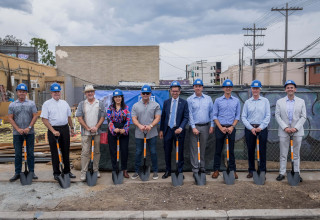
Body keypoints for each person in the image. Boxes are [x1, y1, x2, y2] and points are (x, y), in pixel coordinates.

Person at [40, 82, 76, 180]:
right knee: (55, 152)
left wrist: (71, 128)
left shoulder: (64, 103)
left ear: (60, 92)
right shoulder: (47, 104)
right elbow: (44, 119)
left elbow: (69, 117)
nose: (57, 93)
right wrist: (53, 130)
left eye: (58, 92)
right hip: (53, 130)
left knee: (65, 151)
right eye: (54, 92)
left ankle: (67, 171)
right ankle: (56, 173)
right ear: (51, 93)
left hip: (64, 129)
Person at [275, 80, 306, 182]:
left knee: (296, 154)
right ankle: (282, 173)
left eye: (292, 87)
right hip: (284, 132)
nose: (290, 89)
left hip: (297, 132)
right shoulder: (279, 102)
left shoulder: (301, 101)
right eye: (288, 87)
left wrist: (295, 128)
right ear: (285, 90)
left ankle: (296, 173)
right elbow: (277, 116)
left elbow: (303, 116)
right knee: (283, 154)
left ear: (295, 89)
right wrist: (285, 127)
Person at [8, 83, 38, 182]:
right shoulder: (12, 104)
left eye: (24, 91)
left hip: (29, 133)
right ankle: (17, 173)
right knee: (17, 153)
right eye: (20, 91)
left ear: (26, 93)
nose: (22, 93)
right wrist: (18, 129)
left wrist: (29, 127)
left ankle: (31, 171)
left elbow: (35, 116)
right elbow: (10, 118)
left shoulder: (31, 103)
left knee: (30, 153)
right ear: (17, 92)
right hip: (17, 134)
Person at [211, 79, 240, 179]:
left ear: (232, 88)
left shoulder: (236, 101)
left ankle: (233, 170)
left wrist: (232, 127)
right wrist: (221, 127)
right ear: (223, 88)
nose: (228, 88)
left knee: (231, 151)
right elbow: (214, 116)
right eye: (226, 87)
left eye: (230, 87)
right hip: (220, 128)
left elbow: (237, 116)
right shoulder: (218, 101)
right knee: (218, 150)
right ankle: (216, 170)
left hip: (231, 128)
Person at [76, 85, 106, 181]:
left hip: (97, 132)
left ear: (94, 93)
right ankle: (83, 173)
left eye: (91, 91)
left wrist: (96, 127)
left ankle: (95, 170)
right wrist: (88, 128)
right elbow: (79, 117)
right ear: (85, 94)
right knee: (85, 152)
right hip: (86, 133)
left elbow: (102, 117)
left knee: (97, 152)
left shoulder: (100, 103)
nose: (90, 93)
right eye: (88, 92)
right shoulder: (82, 104)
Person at [159, 81, 189, 179]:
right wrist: (161, 130)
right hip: (168, 130)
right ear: (170, 91)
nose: (175, 93)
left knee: (179, 152)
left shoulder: (184, 103)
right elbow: (163, 117)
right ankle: (168, 170)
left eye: (176, 91)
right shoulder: (166, 102)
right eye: (173, 91)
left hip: (179, 131)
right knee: (167, 151)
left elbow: (186, 117)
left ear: (180, 92)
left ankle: (179, 171)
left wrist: (180, 128)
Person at [241, 80, 270, 178]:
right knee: (250, 150)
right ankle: (251, 170)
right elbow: (243, 117)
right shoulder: (247, 102)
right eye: (253, 88)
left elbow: (268, 116)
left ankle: (262, 171)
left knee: (262, 151)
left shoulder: (265, 101)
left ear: (260, 89)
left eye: (257, 88)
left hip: (262, 128)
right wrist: (251, 128)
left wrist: (261, 127)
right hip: (250, 129)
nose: (255, 90)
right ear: (251, 89)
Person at [131, 84, 161, 180]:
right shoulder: (135, 106)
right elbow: (134, 118)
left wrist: (150, 126)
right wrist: (139, 125)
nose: (145, 95)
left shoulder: (155, 105)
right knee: (138, 152)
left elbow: (157, 118)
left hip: (152, 133)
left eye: (147, 93)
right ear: (141, 94)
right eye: (143, 93)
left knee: (153, 152)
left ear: (150, 94)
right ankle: (136, 171)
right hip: (139, 133)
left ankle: (155, 171)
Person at [187, 79, 214, 175]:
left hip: (205, 127)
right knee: (194, 149)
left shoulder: (208, 99)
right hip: (194, 127)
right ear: (193, 87)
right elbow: (189, 114)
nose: (198, 88)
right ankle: (195, 169)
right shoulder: (190, 99)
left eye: (199, 86)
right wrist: (193, 127)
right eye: (196, 86)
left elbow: (212, 113)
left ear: (202, 87)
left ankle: (202, 168)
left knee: (203, 148)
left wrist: (212, 125)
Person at [106, 89, 131, 178]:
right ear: (113, 98)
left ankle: (124, 170)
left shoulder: (126, 108)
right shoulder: (110, 108)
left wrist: (124, 129)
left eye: (119, 97)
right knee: (113, 151)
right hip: (113, 130)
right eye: (116, 97)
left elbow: (128, 120)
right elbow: (109, 120)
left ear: (122, 98)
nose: (117, 98)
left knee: (124, 151)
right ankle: (115, 170)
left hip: (123, 131)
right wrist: (113, 129)